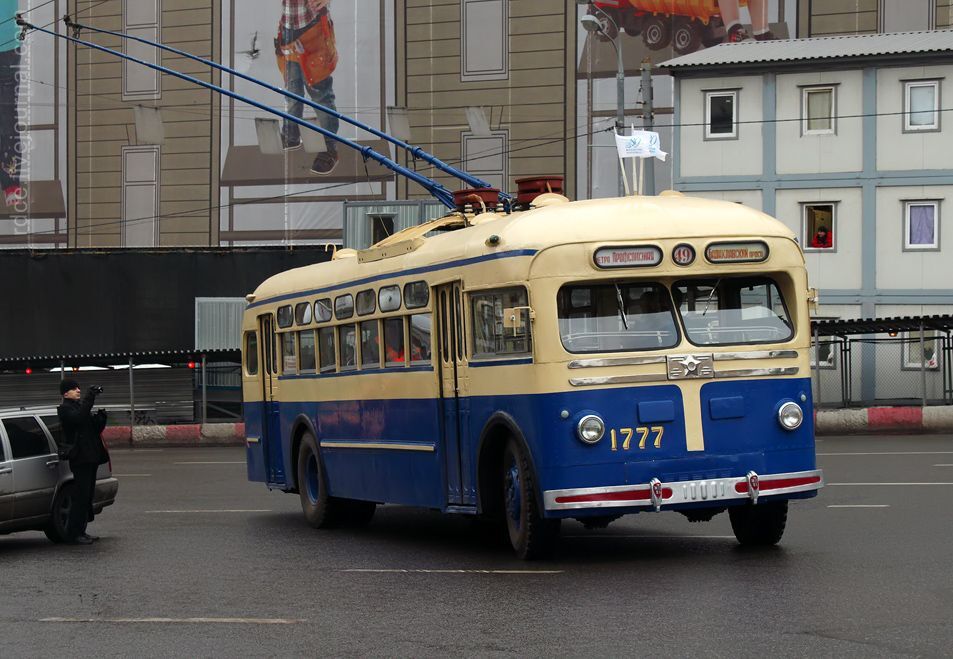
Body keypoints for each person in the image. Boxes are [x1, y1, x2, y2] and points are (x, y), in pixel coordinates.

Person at [276, 0, 340, 175]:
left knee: (321, 95)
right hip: (289, 28)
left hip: (312, 27)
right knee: (292, 91)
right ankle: (290, 136)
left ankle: (329, 147)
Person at [56, 380, 109, 545]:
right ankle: (74, 533)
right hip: (80, 459)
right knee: (81, 496)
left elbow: (90, 428)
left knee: (87, 497)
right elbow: (78, 420)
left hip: (90, 457)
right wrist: (90, 397)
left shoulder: (80, 407)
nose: (78, 390)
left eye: (79, 388)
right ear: (65, 393)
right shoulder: (65, 409)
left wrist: (100, 420)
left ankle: (82, 530)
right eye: (74, 389)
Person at [0, 0, 24, 206]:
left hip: (8, 45)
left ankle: (11, 184)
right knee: (8, 117)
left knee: (8, 117)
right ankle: (11, 185)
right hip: (9, 44)